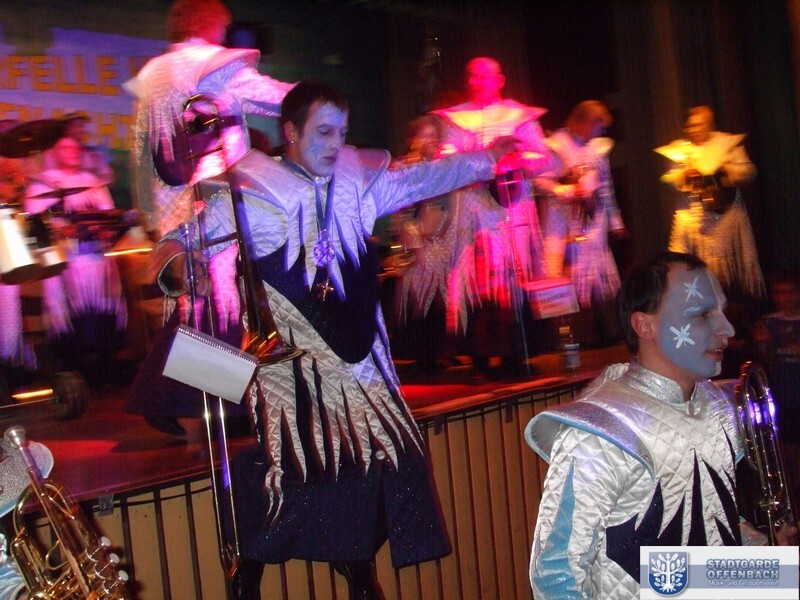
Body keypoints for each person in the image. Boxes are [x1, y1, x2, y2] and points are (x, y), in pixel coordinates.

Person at [150, 80, 520, 598]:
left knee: (392, 461)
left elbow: (425, 177)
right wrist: (175, 263)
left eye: (341, 132)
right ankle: (259, 565)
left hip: (361, 367)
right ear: (291, 131)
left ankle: (351, 567)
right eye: (323, 132)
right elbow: (181, 244)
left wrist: (487, 159)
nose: (335, 143)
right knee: (306, 470)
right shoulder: (252, 194)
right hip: (293, 375)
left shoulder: (356, 186)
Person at [525, 251, 793, 599]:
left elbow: (694, 550)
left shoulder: (719, 409)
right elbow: (556, 574)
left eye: (721, 312)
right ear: (644, 325)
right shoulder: (600, 430)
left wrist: (768, 560)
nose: (727, 329)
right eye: (702, 314)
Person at [122, 0, 294, 239]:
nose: (224, 34)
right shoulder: (214, 65)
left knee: (187, 262)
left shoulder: (151, 74)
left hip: (169, 215)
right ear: (209, 23)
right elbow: (277, 98)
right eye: (224, 27)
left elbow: (141, 154)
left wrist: (148, 216)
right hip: (215, 202)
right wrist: (318, 96)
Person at [431, 56, 549, 377]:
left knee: (512, 276)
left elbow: (543, 156)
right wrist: (471, 160)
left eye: (483, 76)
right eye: (471, 76)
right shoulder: (457, 119)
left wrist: (516, 160)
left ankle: (516, 354)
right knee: (476, 278)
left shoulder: (518, 116)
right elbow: (447, 155)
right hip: (474, 208)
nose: (476, 82)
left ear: (499, 80)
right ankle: (481, 357)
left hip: (511, 205)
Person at [23, 135, 127, 384]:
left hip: (97, 261)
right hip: (67, 263)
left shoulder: (93, 182)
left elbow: (109, 217)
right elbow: (36, 221)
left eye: (75, 147)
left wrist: (104, 230)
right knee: (70, 318)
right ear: (55, 152)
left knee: (103, 315)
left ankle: (105, 367)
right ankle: (73, 370)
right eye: (65, 147)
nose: (72, 152)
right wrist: (63, 229)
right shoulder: (43, 183)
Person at [535, 100, 627, 347]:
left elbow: (605, 187)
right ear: (585, 122)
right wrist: (565, 190)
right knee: (564, 274)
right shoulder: (556, 146)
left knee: (597, 275)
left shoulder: (597, 149)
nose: (601, 131)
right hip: (562, 222)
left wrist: (615, 221)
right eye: (598, 125)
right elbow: (540, 181)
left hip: (591, 220)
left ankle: (605, 334)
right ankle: (568, 337)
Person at [661, 106, 765, 303]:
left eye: (699, 125)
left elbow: (749, 171)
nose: (694, 130)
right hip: (691, 220)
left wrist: (724, 170)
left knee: (722, 276)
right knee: (684, 264)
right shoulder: (681, 150)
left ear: (709, 125)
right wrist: (684, 174)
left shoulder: (726, 145)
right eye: (690, 126)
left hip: (723, 219)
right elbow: (667, 181)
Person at [389, 115, 461, 374]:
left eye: (434, 136)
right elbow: (401, 210)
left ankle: (436, 352)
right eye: (425, 135)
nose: (431, 141)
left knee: (439, 297)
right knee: (419, 297)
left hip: (439, 240)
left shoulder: (442, 168)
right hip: (416, 241)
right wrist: (414, 240)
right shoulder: (405, 168)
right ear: (413, 139)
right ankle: (422, 357)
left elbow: (451, 205)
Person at [753, 271, 800, 511]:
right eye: (779, 293)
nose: (784, 298)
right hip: (783, 397)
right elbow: (764, 362)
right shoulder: (770, 323)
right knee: (787, 452)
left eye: (789, 292)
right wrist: (762, 343)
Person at [40, 111, 115, 188]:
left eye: (82, 126)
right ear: (66, 129)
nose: (81, 130)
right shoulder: (52, 154)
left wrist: (94, 183)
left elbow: (108, 178)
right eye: (75, 126)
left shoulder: (93, 154)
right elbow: (47, 179)